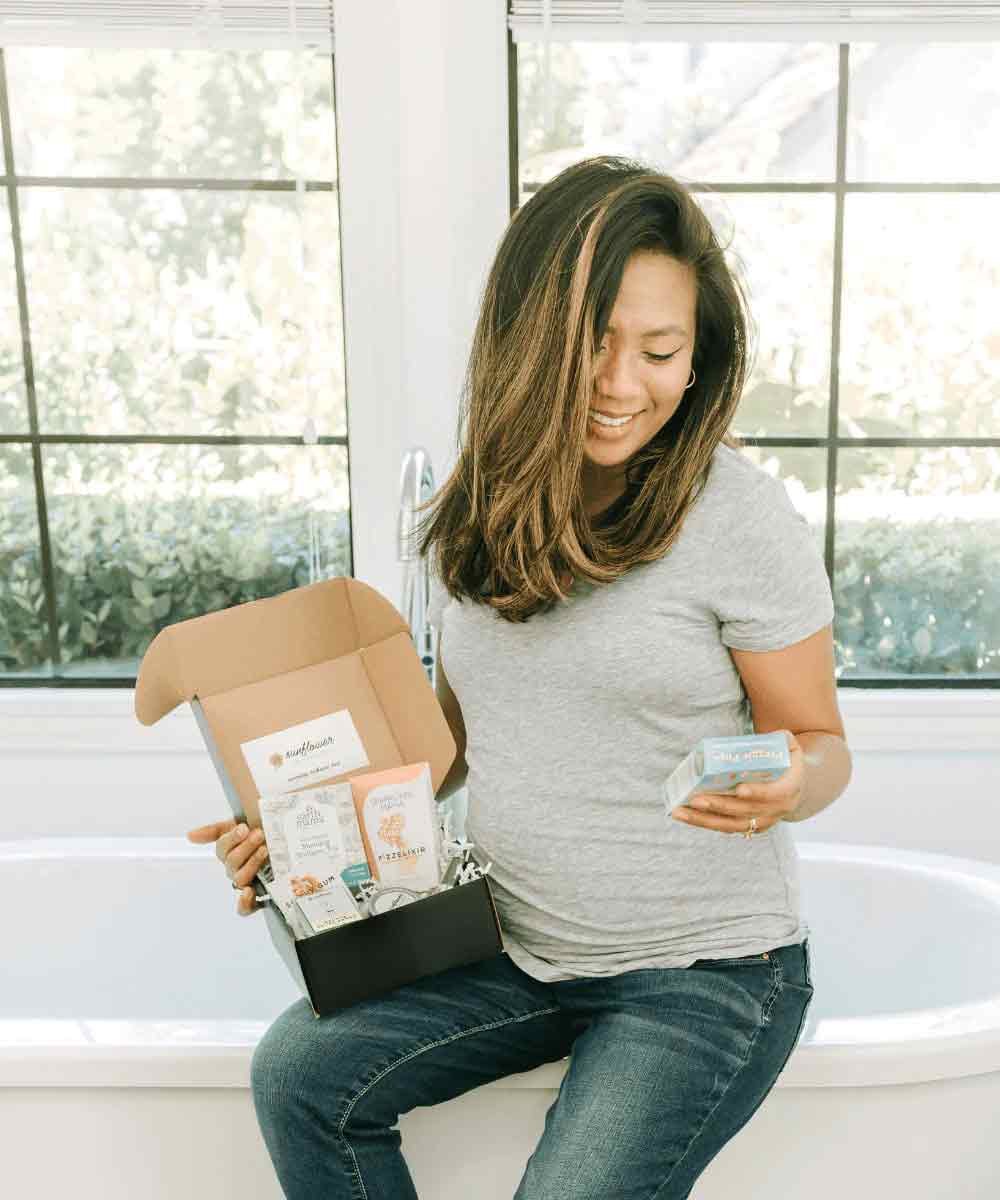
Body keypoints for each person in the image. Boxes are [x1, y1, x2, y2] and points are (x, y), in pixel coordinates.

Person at [188, 155, 852, 1199]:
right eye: (592, 345)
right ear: (529, 336)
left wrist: (789, 785)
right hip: (516, 947)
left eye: (661, 350)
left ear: (699, 357)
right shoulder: (473, 508)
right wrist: (306, 826)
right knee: (300, 1075)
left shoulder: (737, 518)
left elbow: (820, 746)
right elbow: (449, 747)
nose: (623, 384)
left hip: (705, 975)